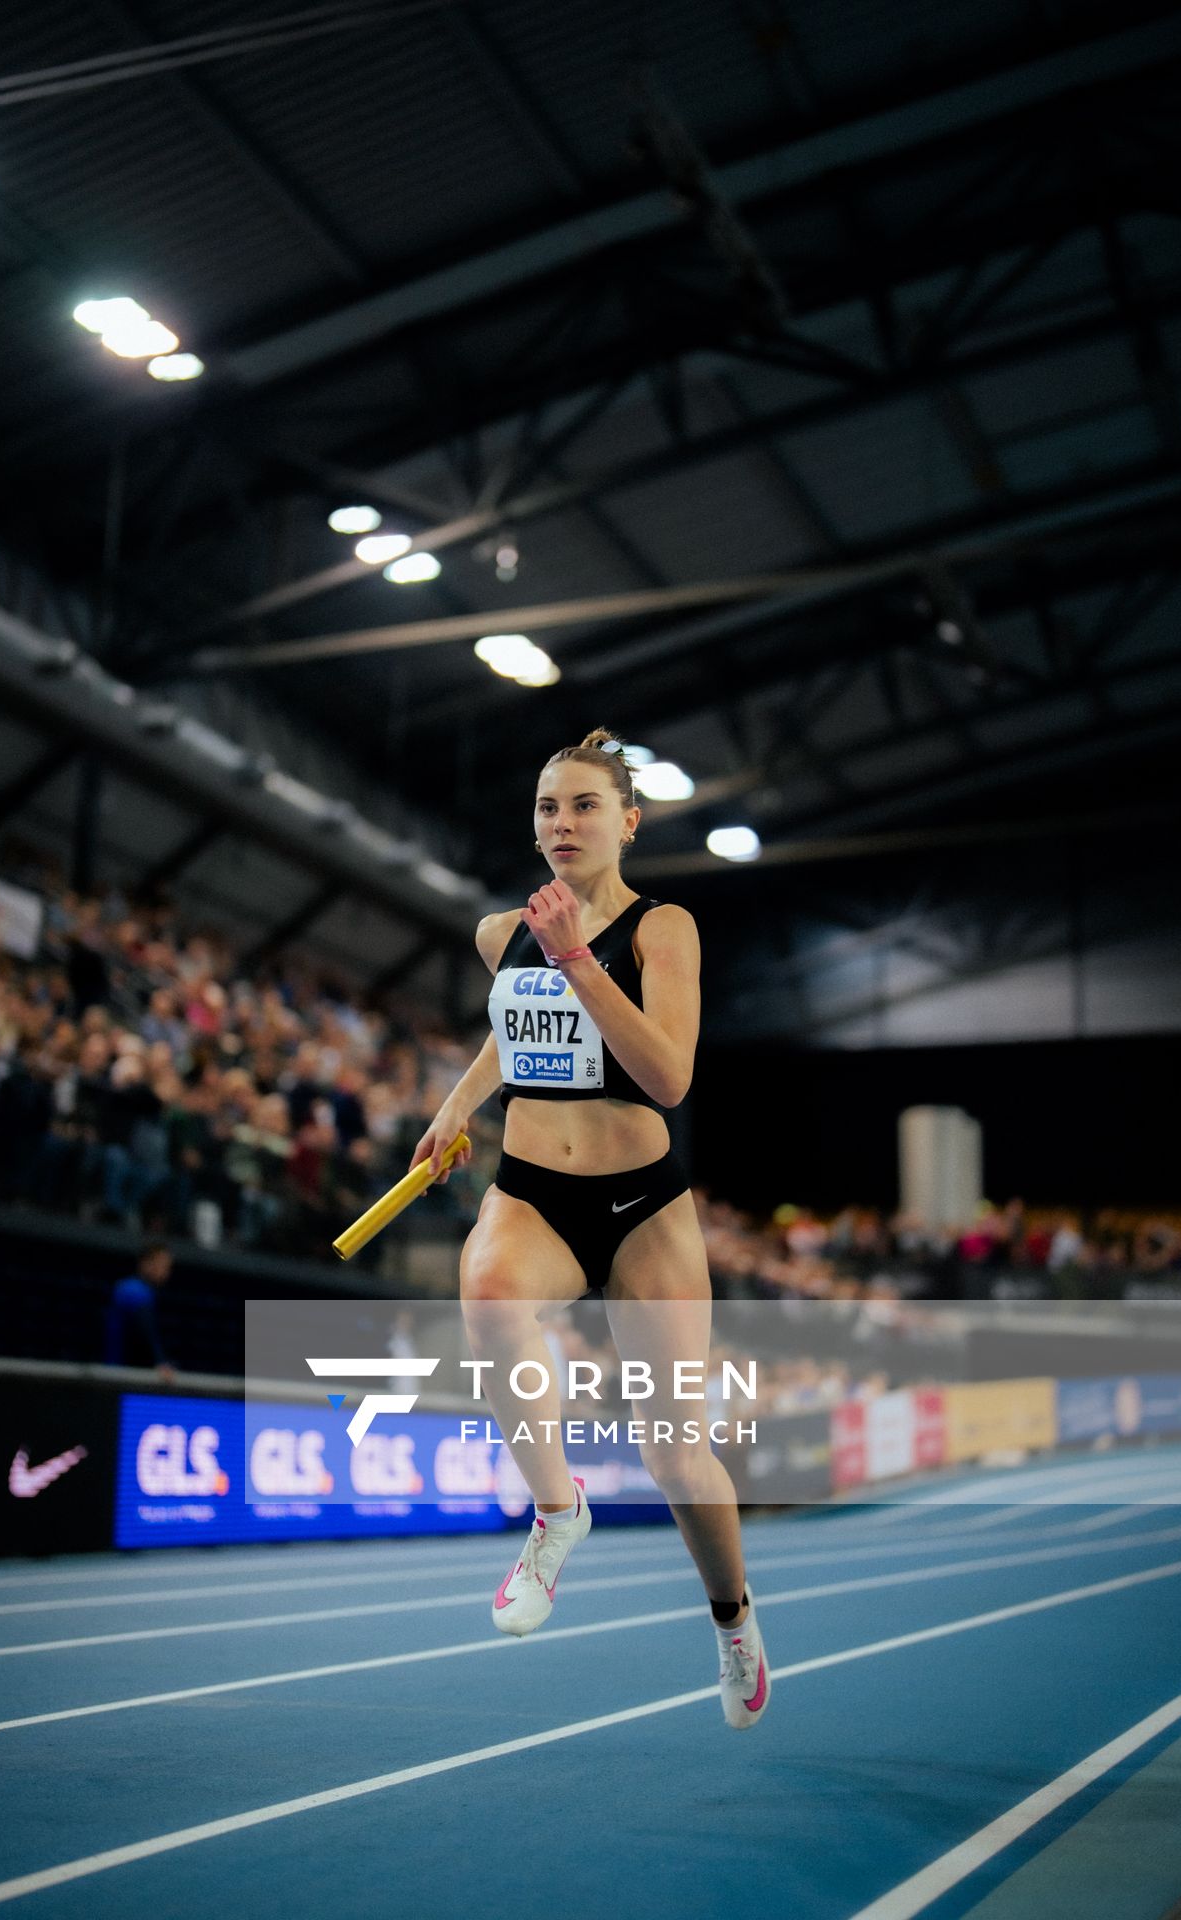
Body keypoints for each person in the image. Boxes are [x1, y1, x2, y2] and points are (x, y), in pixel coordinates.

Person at [411, 728, 769, 1730]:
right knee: (485, 1294)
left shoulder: (664, 930)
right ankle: (557, 1513)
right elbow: (510, 1025)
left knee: (674, 1457)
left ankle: (732, 1620)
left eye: (580, 806)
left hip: (641, 1203)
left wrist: (578, 957)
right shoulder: (502, 932)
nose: (559, 824)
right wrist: (458, 1104)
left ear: (626, 822)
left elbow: (667, 1077)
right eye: (544, 808)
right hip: (533, 1189)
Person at [104, 1239, 176, 1377]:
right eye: (162, 1265)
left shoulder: (140, 1291)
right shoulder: (132, 1289)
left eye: (168, 1267)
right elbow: (144, 1330)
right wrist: (160, 1362)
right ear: (146, 1264)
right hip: (116, 1373)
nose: (166, 1271)